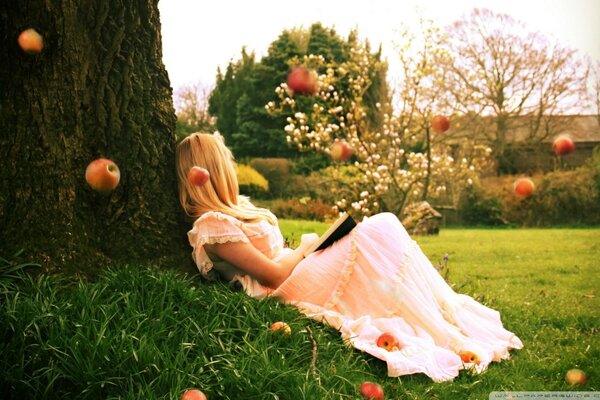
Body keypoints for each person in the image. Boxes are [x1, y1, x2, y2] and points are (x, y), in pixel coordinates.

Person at [176, 132, 523, 382]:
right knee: (380, 228)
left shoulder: (232, 212)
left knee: (378, 229)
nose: (233, 167)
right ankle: (438, 325)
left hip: (296, 271)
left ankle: (441, 317)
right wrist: (305, 249)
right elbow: (272, 276)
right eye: (228, 161)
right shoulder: (212, 227)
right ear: (213, 169)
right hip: (287, 287)